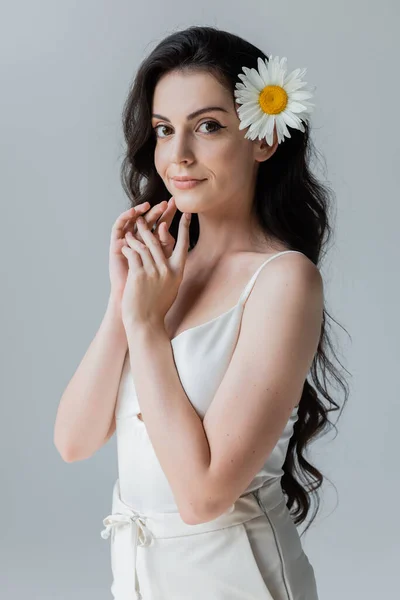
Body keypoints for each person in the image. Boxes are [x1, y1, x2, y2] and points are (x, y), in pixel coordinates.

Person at [55, 25, 349, 600]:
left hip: (236, 580)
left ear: (263, 140)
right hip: (139, 580)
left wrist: (145, 326)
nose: (178, 154)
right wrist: (124, 302)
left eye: (208, 126)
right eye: (164, 130)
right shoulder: (160, 275)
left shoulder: (284, 281)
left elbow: (202, 496)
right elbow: (73, 440)